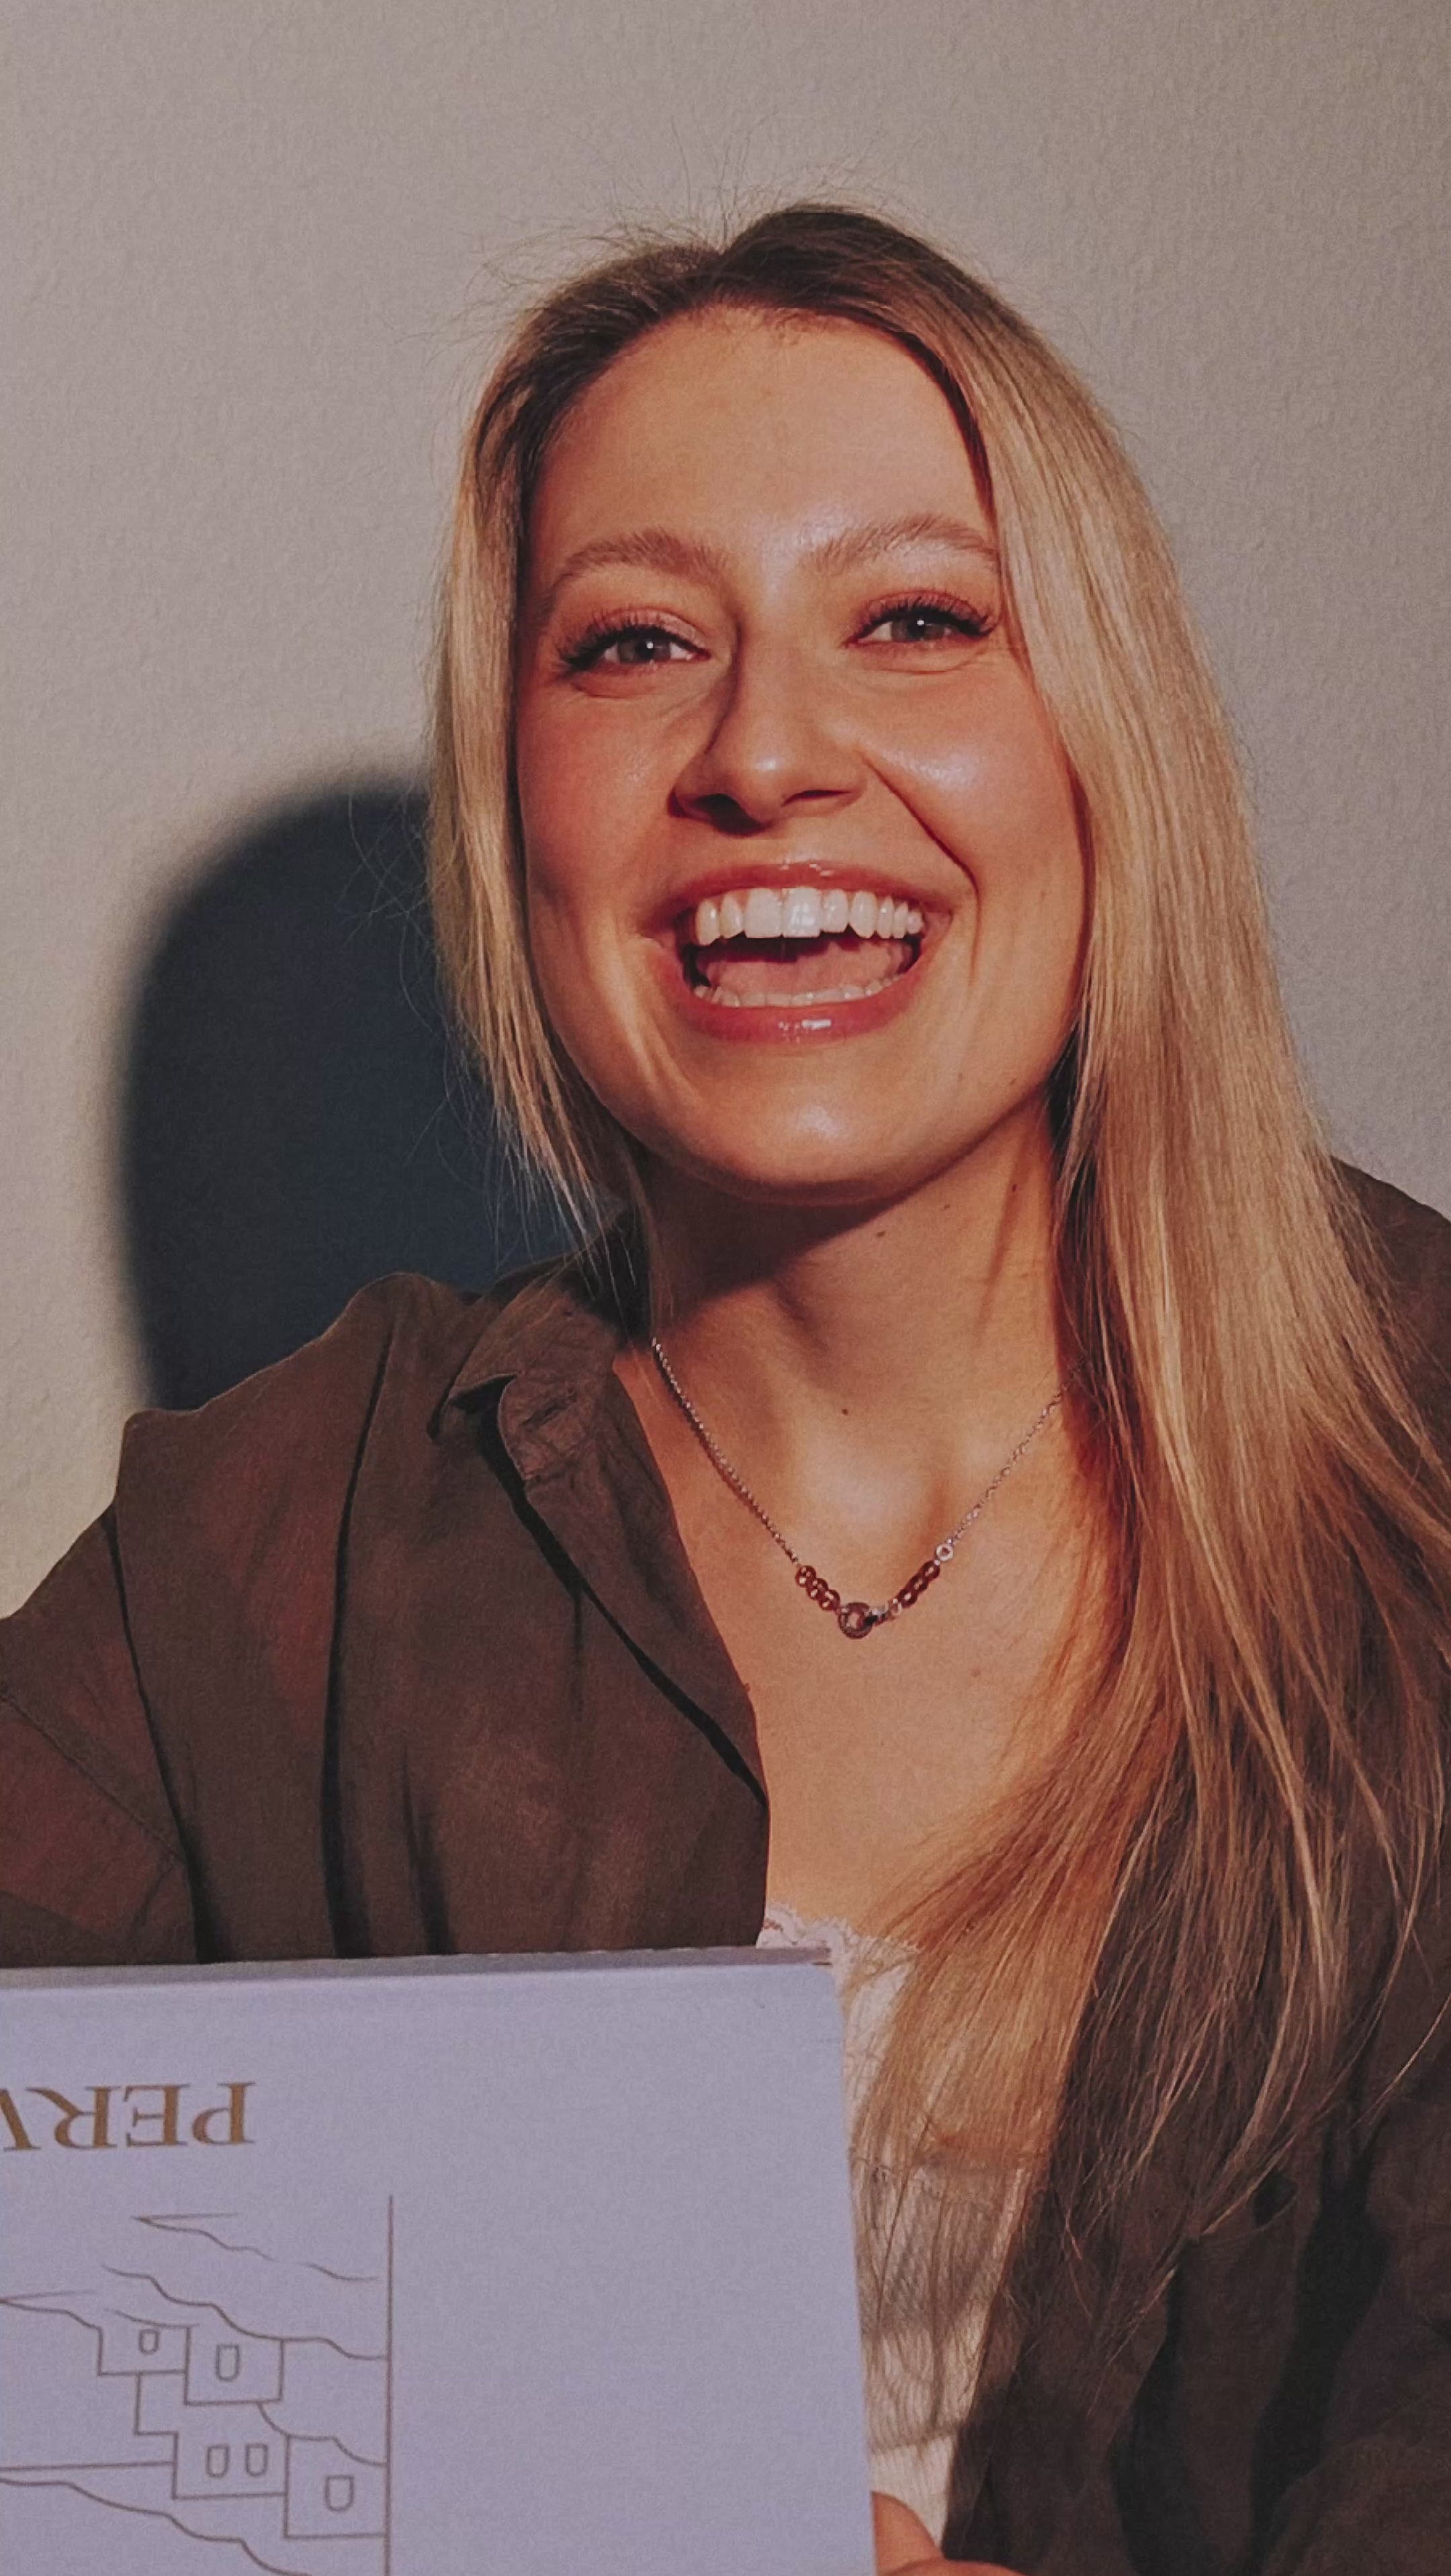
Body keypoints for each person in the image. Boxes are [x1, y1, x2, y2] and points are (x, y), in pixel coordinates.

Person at [3, 205, 1450, 2575]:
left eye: (917, 620)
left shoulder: (1421, 1480)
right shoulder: (284, 1533)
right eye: (635, 643)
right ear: (522, 809)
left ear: (1112, 745)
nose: (766, 753)